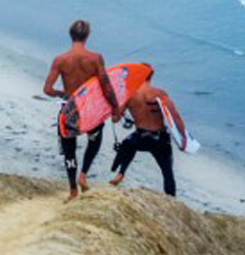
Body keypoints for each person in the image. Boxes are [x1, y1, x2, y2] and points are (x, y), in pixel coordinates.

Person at [42, 20, 122, 200]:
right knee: (94, 140)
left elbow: (47, 89)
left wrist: (63, 94)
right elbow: (106, 86)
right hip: (90, 112)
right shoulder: (95, 58)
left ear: (70, 35)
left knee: (69, 151)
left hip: (70, 111)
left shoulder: (60, 60)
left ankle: (72, 191)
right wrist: (115, 108)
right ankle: (83, 175)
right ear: (87, 35)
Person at [109, 64, 182, 196]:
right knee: (167, 172)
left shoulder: (128, 94)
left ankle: (120, 173)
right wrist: (183, 140)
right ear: (151, 75)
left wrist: (114, 105)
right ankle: (172, 199)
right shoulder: (160, 93)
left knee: (128, 144)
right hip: (160, 139)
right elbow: (175, 117)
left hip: (141, 137)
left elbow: (115, 118)